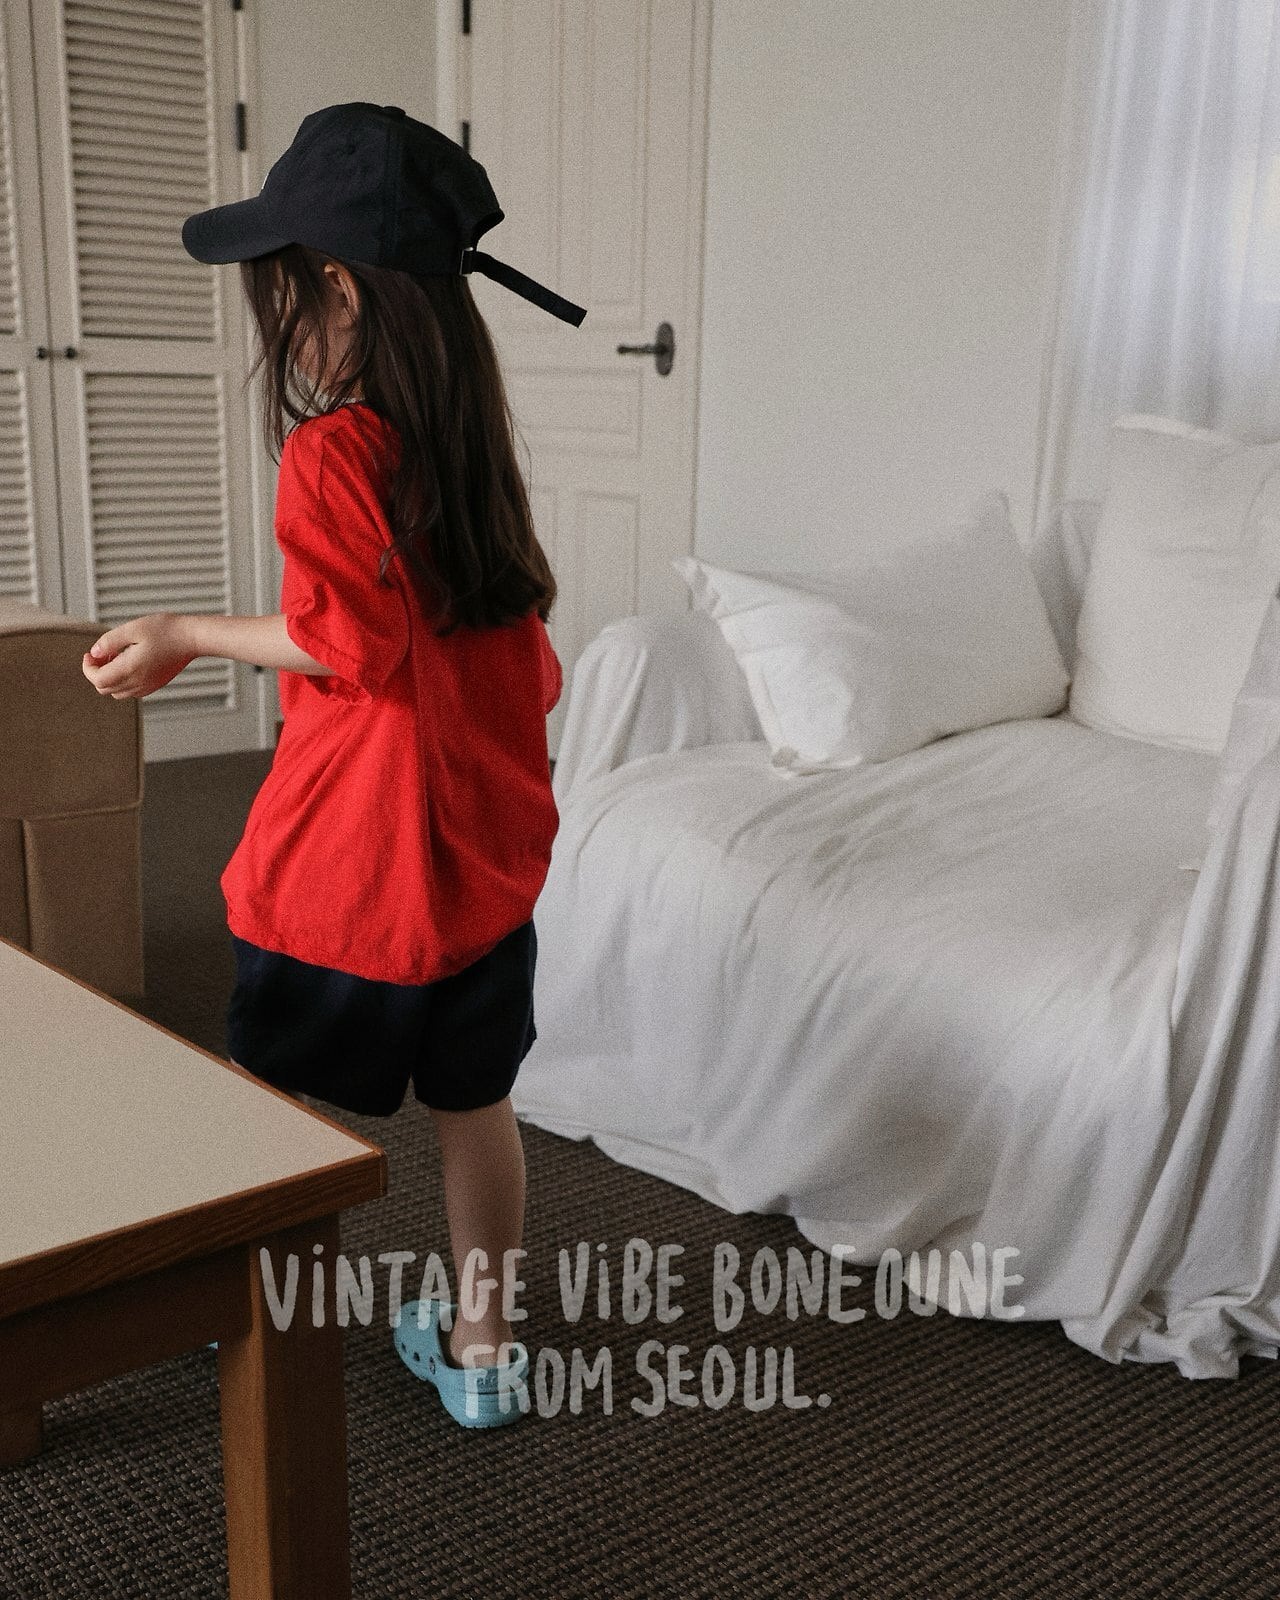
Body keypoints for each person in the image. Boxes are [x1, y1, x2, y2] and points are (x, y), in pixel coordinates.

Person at [80, 104, 587, 1429]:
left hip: (348, 882)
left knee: (269, 1103)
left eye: (283, 290)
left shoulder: (334, 451)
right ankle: (485, 1349)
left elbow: (341, 640)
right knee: (477, 1106)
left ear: (340, 290)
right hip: (482, 875)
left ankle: (253, 1314)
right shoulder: (472, 448)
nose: (280, 322)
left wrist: (189, 632)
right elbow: (528, 664)